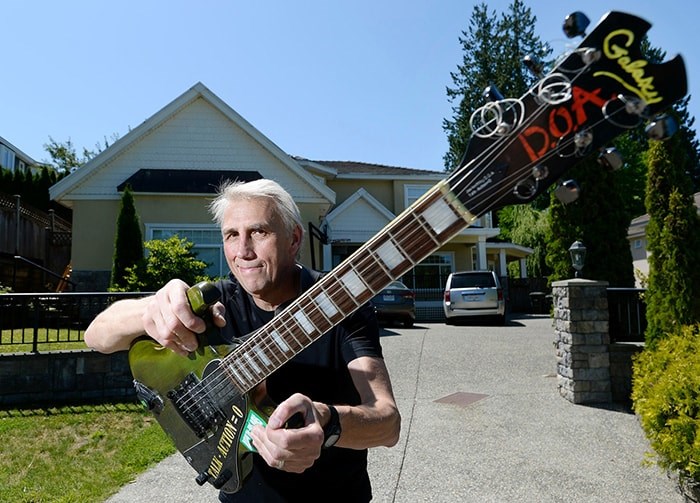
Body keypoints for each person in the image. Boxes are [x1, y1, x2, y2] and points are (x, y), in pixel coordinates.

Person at [84, 178, 401, 502]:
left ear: (293, 239)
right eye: (231, 235)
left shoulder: (339, 304)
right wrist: (150, 309)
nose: (243, 251)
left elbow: (388, 423)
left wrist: (328, 422)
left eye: (259, 232)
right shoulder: (215, 304)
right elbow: (96, 336)